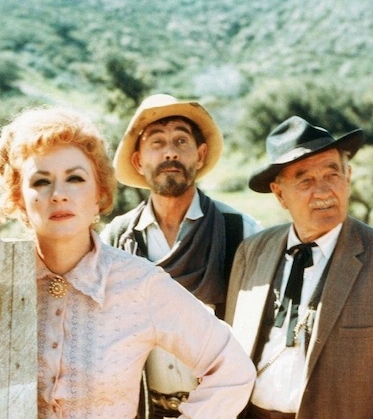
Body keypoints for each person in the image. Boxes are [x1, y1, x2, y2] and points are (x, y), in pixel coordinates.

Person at [0, 105, 256, 418]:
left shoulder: (140, 283)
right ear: (18, 199)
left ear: (99, 195)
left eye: (75, 178)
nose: (58, 194)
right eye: (40, 181)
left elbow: (233, 368)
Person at [225, 116, 373, 418]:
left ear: (348, 178)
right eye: (305, 180)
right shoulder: (252, 253)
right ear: (280, 193)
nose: (323, 192)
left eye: (332, 175)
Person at [100, 93, 261, 418]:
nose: (170, 151)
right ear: (138, 161)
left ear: (199, 155)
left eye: (181, 141)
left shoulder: (240, 231)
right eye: (156, 142)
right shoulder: (116, 239)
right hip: (144, 409)